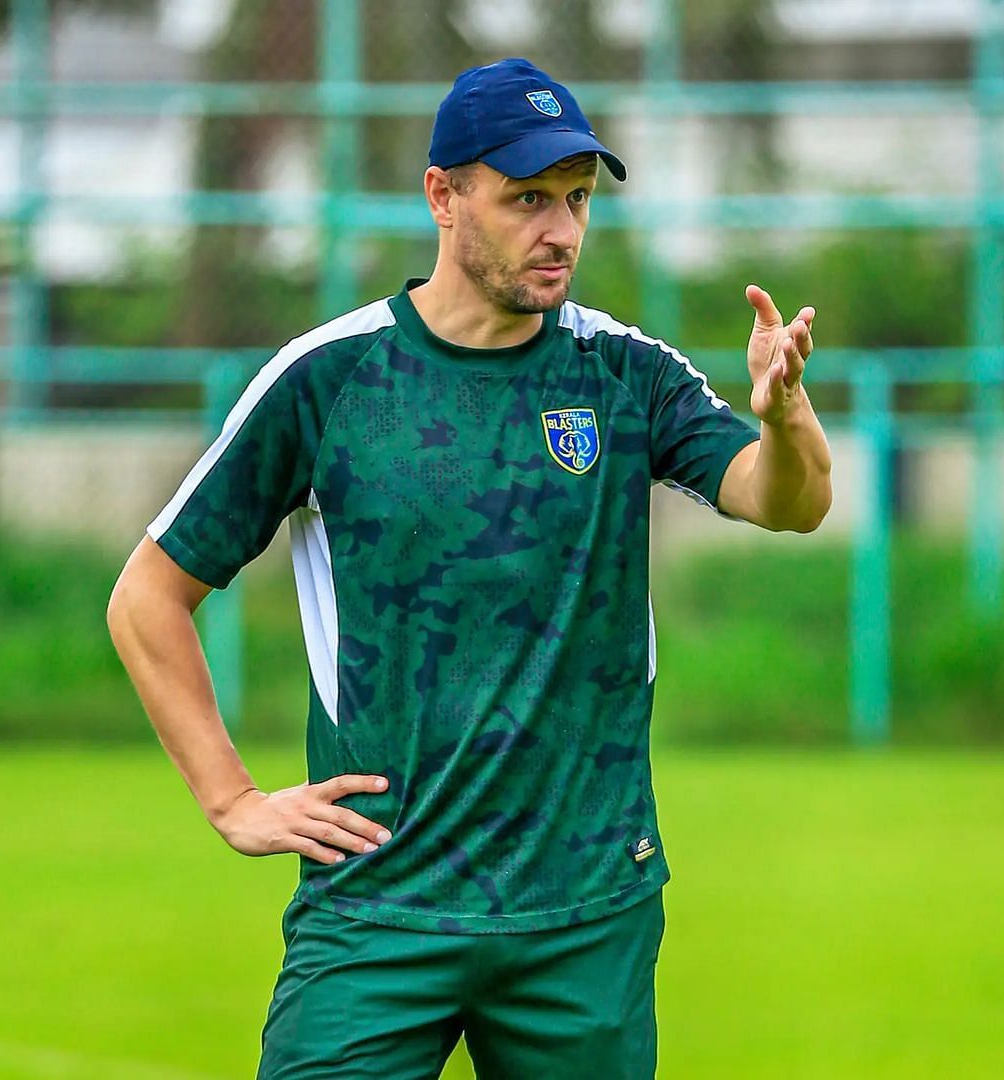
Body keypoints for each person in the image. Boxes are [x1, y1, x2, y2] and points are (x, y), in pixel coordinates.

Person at [108, 57, 831, 1080]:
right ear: (443, 196)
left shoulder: (623, 372)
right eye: (528, 198)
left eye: (578, 201)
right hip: (378, 902)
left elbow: (786, 500)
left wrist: (787, 420)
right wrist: (232, 802)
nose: (563, 231)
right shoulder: (332, 376)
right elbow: (147, 597)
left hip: (586, 911)